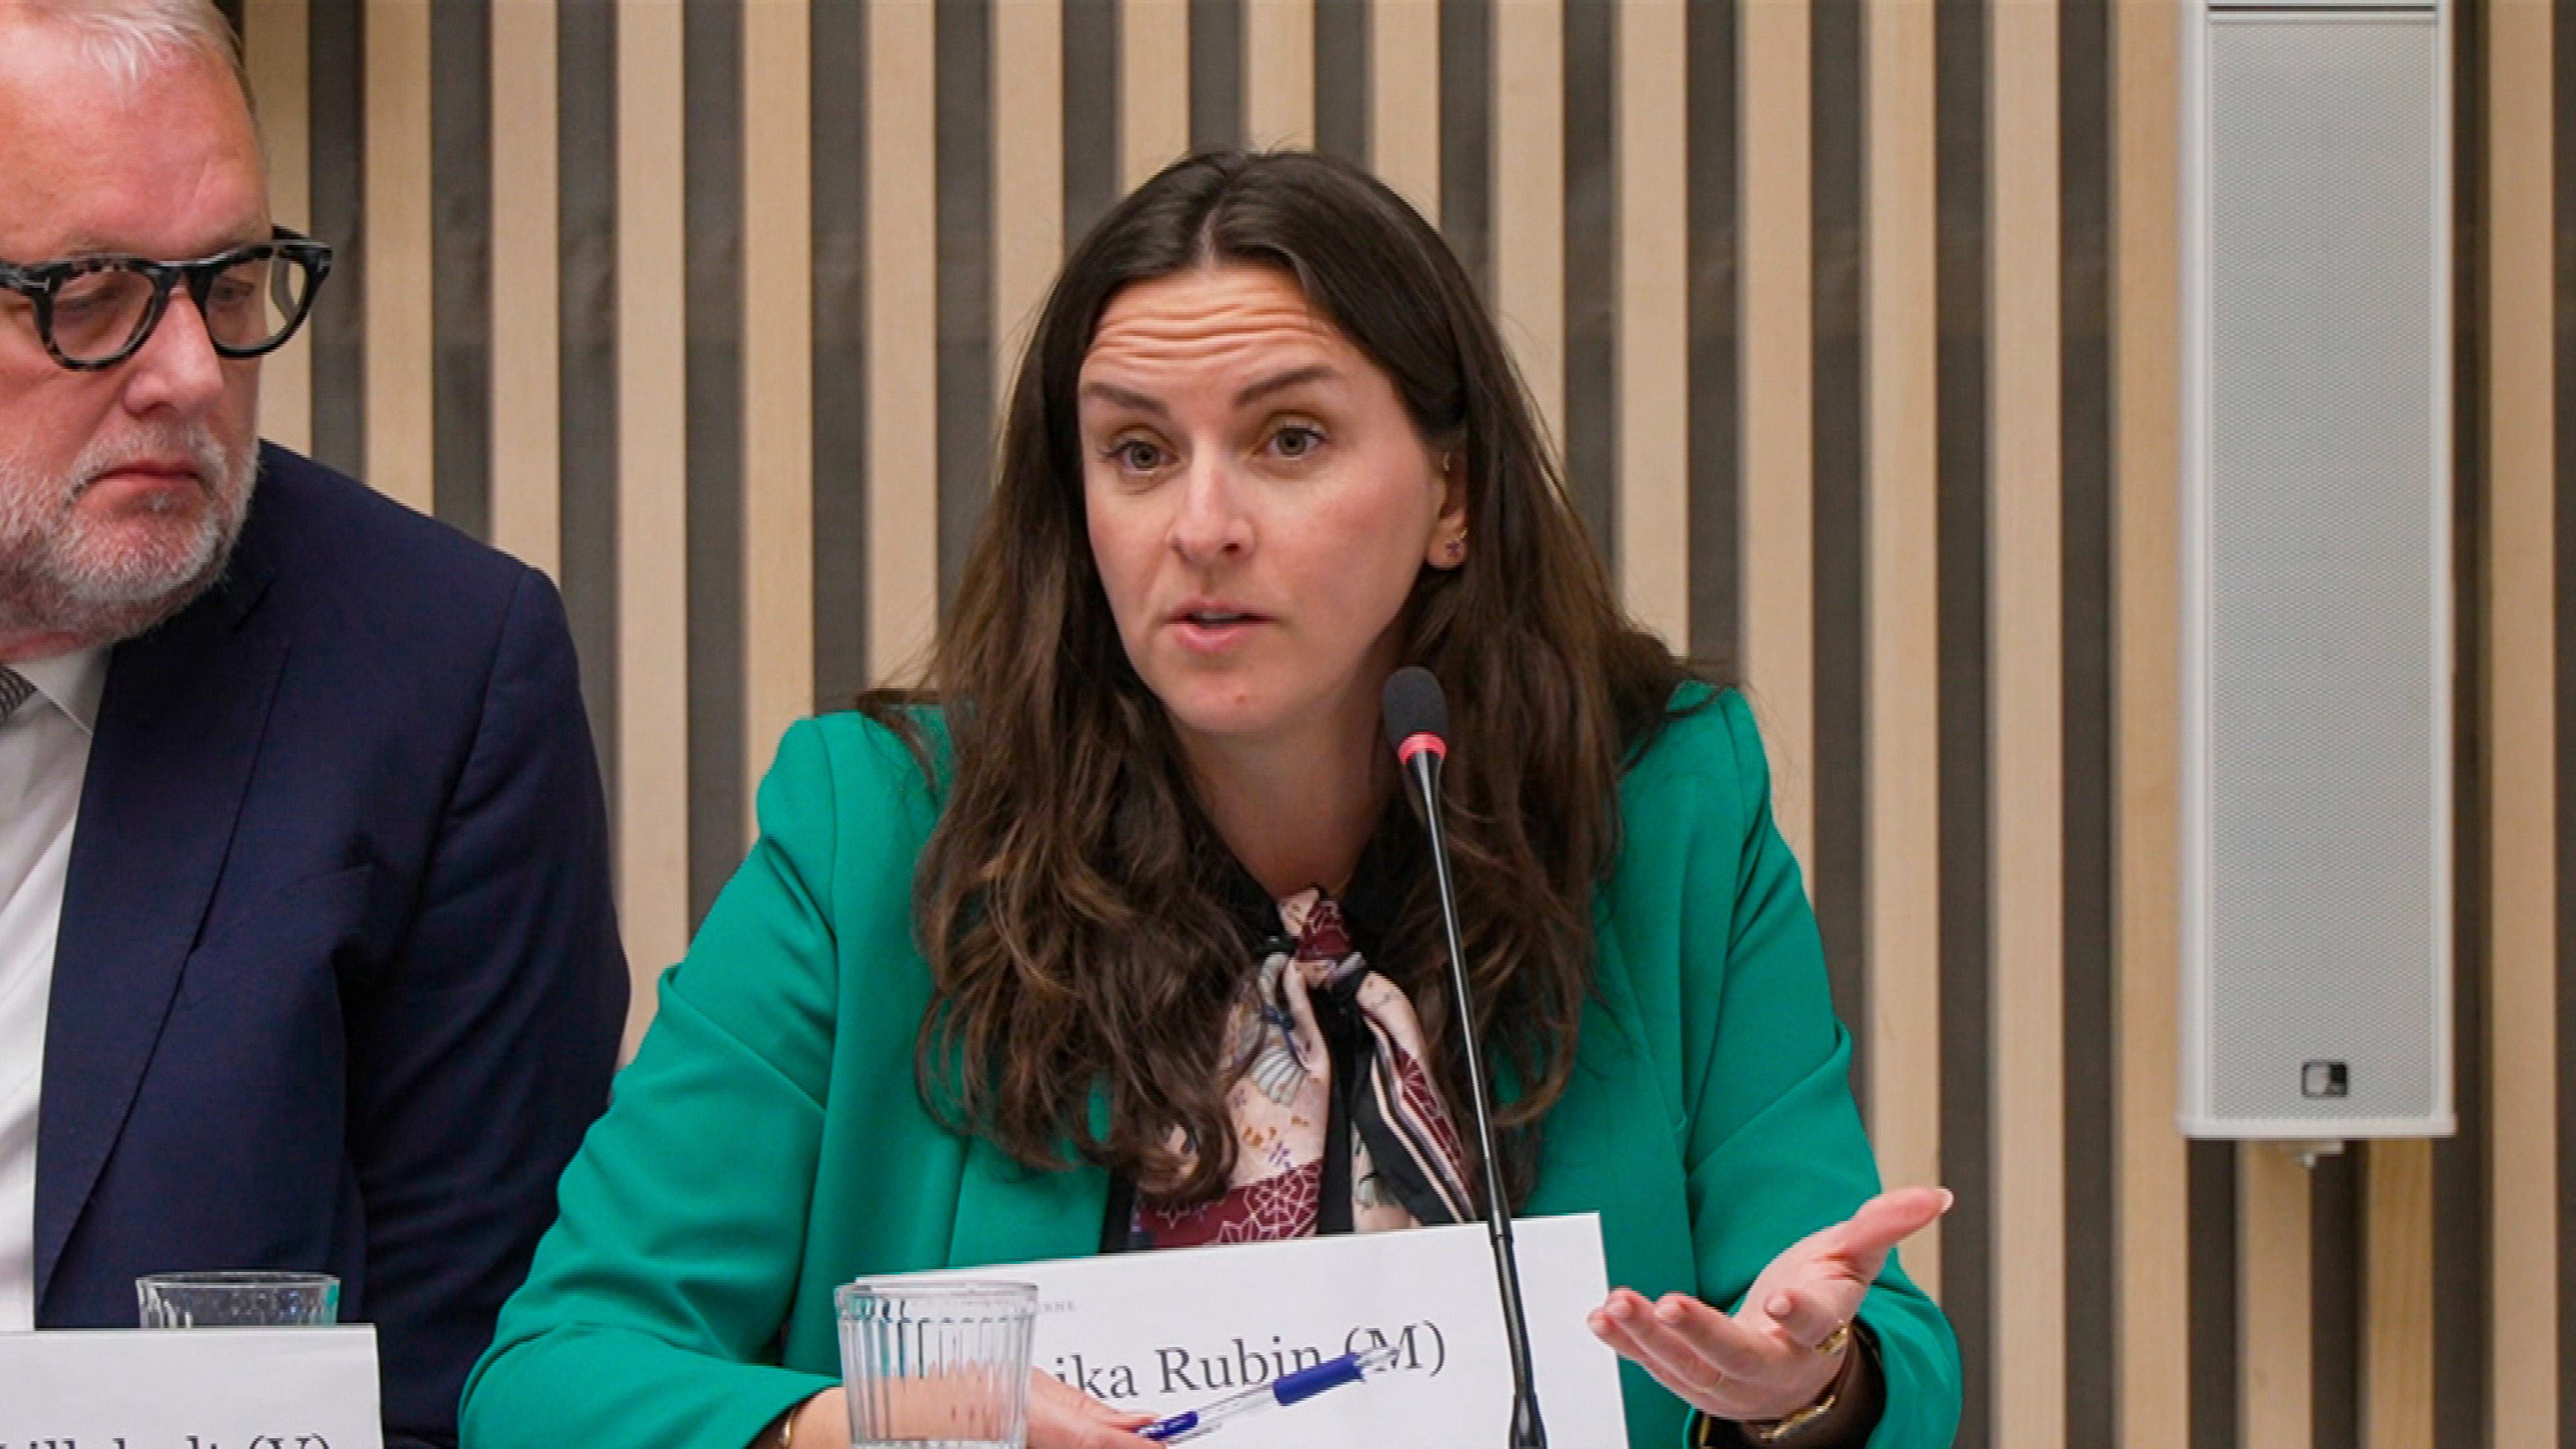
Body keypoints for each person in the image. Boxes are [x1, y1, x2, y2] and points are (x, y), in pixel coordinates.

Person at [463, 149, 1959, 1449]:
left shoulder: (1662, 805)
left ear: (1451, 496)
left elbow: (1851, 1328)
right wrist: (873, 1425)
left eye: (1288, 440)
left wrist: (1807, 1385)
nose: (1202, 525)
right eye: (1137, 453)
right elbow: (550, 1380)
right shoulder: (882, 832)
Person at [0, 4, 628, 1445]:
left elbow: (477, 1374)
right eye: (91, 294)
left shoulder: (434, 676)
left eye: (230, 283)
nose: (190, 373)